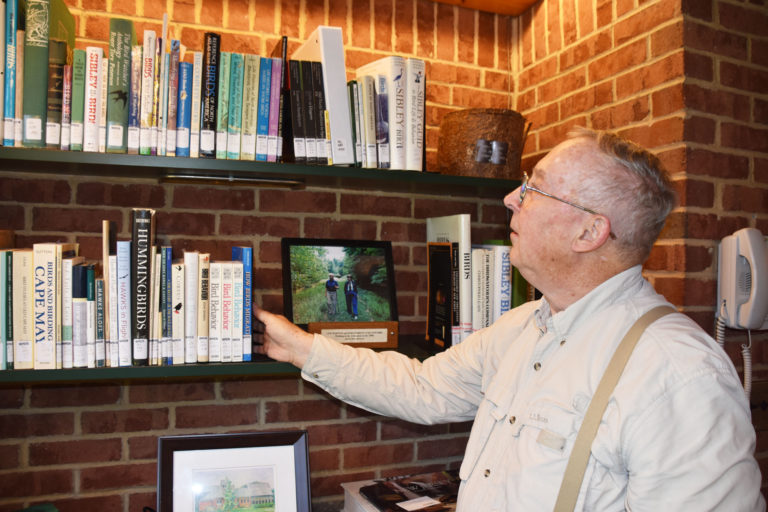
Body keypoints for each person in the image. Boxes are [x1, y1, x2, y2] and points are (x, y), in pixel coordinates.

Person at [255, 128, 765, 511]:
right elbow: (422, 387)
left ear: (589, 232)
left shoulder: (679, 374)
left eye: (534, 190)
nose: (510, 199)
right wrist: (300, 346)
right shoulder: (525, 325)